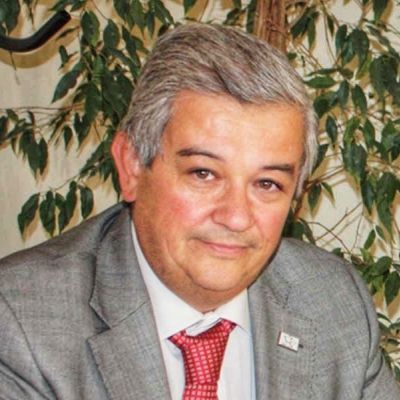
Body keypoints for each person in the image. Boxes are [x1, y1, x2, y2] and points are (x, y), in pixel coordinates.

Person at [0, 23, 398, 400]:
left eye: (267, 184)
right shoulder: (22, 321)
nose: (236, 217)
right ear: (132, 166)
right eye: (204, 174)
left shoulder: (333, 300)